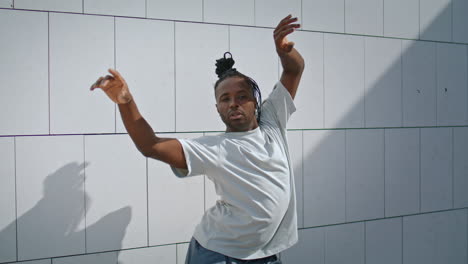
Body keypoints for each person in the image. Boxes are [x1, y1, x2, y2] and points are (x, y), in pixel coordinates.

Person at [91, 14, 304, 264]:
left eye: (241, 96)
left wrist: (283, 50)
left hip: (266, 255)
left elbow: (294, 68)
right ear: (217, 108)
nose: (234, 103)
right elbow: (150, 145)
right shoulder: (214, 148)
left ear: (254, 100)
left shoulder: (273, 122)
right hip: (219, 254)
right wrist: (126, 102)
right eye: (225, 99)